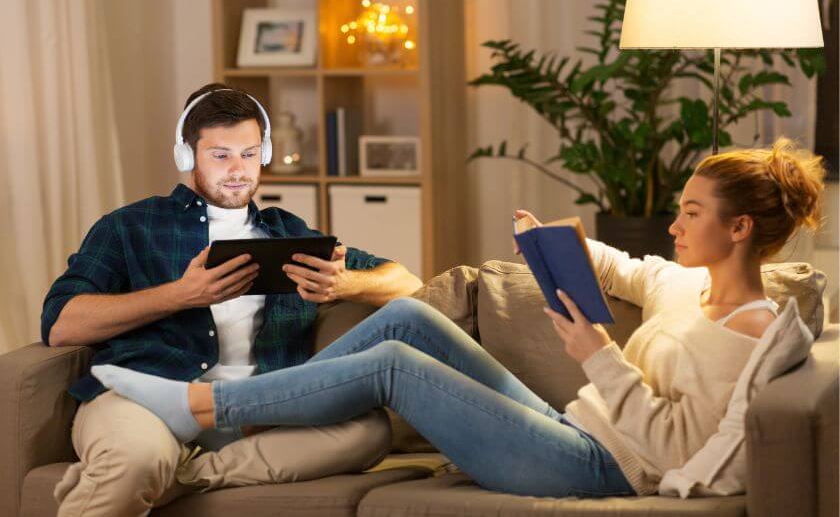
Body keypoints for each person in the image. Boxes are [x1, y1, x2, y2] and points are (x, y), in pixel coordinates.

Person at [92, 138, 825, 498]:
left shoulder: (750, 334)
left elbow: (673, 450)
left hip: (605, 470)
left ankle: (200, 406)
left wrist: (600, 352)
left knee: (393, 367)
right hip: (576, 427)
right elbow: (617, 266)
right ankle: (252, 413)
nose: (673, 224)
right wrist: (550, 240)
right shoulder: (680, 284)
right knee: (410, 322)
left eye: (692, 213)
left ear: (738, 231)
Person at [41, 83, 423, 516]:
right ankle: (152, 466)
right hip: (146, 398)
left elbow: (407, 283)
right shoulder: (131, 226)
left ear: (265, 153)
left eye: (248, 153)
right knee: (136, 459)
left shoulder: (289, 232)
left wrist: (345, 285)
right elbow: (60, 324)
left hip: (257, 414)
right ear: (187, 156)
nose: (238, 169)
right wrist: (180, 296)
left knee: (369, 430)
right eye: (220, 155)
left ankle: (180, 476)